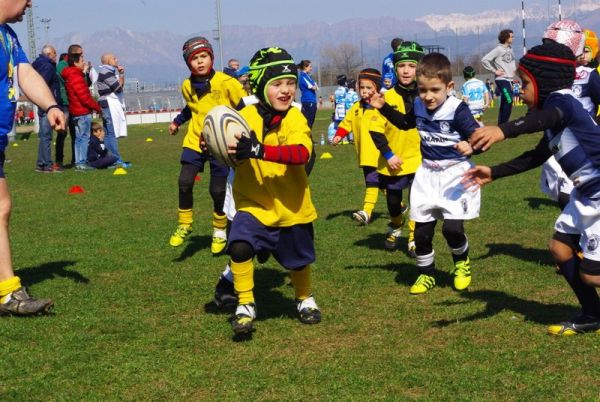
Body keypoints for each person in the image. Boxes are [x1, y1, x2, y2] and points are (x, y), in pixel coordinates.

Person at [466, 41, 600, 336]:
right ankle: (592, 314)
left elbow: (545, 118)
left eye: (524, 83)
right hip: (585, 196)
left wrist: (503, 129)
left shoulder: (561, 103)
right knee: (560, 248)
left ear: (546, 82)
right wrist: (494, 172)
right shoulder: (556, 118)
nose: (520, 89)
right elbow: (538, 155)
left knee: (592, 275)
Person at [223, 47, 321, 335]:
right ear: (260, 86)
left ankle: (304, 298)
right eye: (277, 84)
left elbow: (302, 153)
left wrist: (259, 150)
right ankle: (245, 304)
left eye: (291, 83)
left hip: (292, 205)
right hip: (253, 203)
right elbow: (230, 148)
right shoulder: (244, 116)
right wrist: (215, 146)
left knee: (299, 260)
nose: (286, 90)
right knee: (238, 245)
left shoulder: (295, 117)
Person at [373, 53, 480, 294]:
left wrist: (471, 145)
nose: (428, 96)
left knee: (451, 229)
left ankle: (462, 263)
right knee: (421, 232)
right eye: (423, 90)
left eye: (434, 90)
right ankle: (426, 274)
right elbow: (404, 123)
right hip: (427, 174)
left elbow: (478, 137)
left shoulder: (457, 109)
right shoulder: (419, 105)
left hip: (456, 175)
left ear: (449, 87)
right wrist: (383, 107)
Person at [0, 0, 65, 316]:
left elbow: (25, 73)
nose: (29, 3)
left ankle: (7, 291)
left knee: (1, 207)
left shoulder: (7, 36)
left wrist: (51, 105)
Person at [167, 37, 245, 254]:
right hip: (194, 141)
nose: (200, 62)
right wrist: (176, 122)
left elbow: (244, 107)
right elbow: (191, 109)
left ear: (211, 57)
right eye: (195, 59)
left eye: (204, 56)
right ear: (187, 63)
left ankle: (219, 230)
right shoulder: (186, 85)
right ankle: (184, 223)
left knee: (217, 190)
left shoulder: (227, 82)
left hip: (220, 145)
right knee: (184, 180)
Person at [368, 41, 423, 255]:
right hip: (394, 161)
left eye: (411, 65)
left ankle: (414, 237)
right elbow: (375, 130)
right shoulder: (385, 97)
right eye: (402, 66)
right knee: (393, 202)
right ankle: (397, 224)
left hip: (420, 159)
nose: (406, 70)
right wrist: (388, 154)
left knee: (418, 202)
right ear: (395, 68)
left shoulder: (426, 96)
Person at [332, 68, 382, 225]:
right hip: (364, 154)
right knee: (382, 184)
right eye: (362, 87)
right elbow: (346, 123)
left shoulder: (382, 108)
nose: (365, 91)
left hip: (380, 154)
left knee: (372, 181)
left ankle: (366, 212)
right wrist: (339, 135)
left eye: (369, 87)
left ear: (377, 89)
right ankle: (399, 207)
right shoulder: (356, 108)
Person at [61, 44, 101, 171]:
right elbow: (84, 97)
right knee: (84, 138)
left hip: (75, 112)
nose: (84, 63)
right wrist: (97, 107)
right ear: (76, 62)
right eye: (82, 60)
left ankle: (79, 162)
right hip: (82, 112)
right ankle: (82, 162)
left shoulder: (70, 75)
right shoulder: (76, 77)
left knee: (78, 139)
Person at [31, 44, 63, 173]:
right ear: (49, 54)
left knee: (44, 135)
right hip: (47, 105)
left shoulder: (38, 65)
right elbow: (42, 84)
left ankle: (41, 163)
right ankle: (47, 164)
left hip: (42, 104)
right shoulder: (48, 66)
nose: (56, 56)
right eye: (55, 54)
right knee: (46, 136)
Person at [96, 53, 129, 167]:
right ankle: (115, 158)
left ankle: (110, 158)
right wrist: (120, 77)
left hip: (109, 104)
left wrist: (121, 74)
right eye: (114, 58)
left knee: (109, 132)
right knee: (111, 132)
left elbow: (120, 86)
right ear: (108, 61)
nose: (116, 60)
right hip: (109, 105)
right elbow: (118, 88)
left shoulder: (110, 72)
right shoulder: (106, 73)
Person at [481, 29, 516, 124]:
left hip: (510, 80)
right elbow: (485, 60)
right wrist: (494, 70)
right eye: (511, 36)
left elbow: (512, 62)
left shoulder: (511, 49)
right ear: (506, 38)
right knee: (509, 100)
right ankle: (504, 125)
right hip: (502, 80)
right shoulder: (498, 49)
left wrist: (514, 70)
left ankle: (501, 124)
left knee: (505, 102)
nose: (513, 38)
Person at [56, 52, 75, 168]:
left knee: (71, 133)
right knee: (63, 132)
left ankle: (75, 159)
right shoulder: (62, 65)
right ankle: (59, 161)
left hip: (69, 103)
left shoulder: (62, 66)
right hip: (65, 104)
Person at [297, 59, 318, 128]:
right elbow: (314, 87)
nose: (311, 68)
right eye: (310, 67)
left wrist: (314, 86)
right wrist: (314, 86)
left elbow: (316, 86)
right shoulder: (303, 76)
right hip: (308, 101)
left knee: (310, 122)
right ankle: (306, 137)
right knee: (308, 122)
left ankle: (308, 137)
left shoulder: (307, 76)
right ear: (305, 67)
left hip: (311, 101)